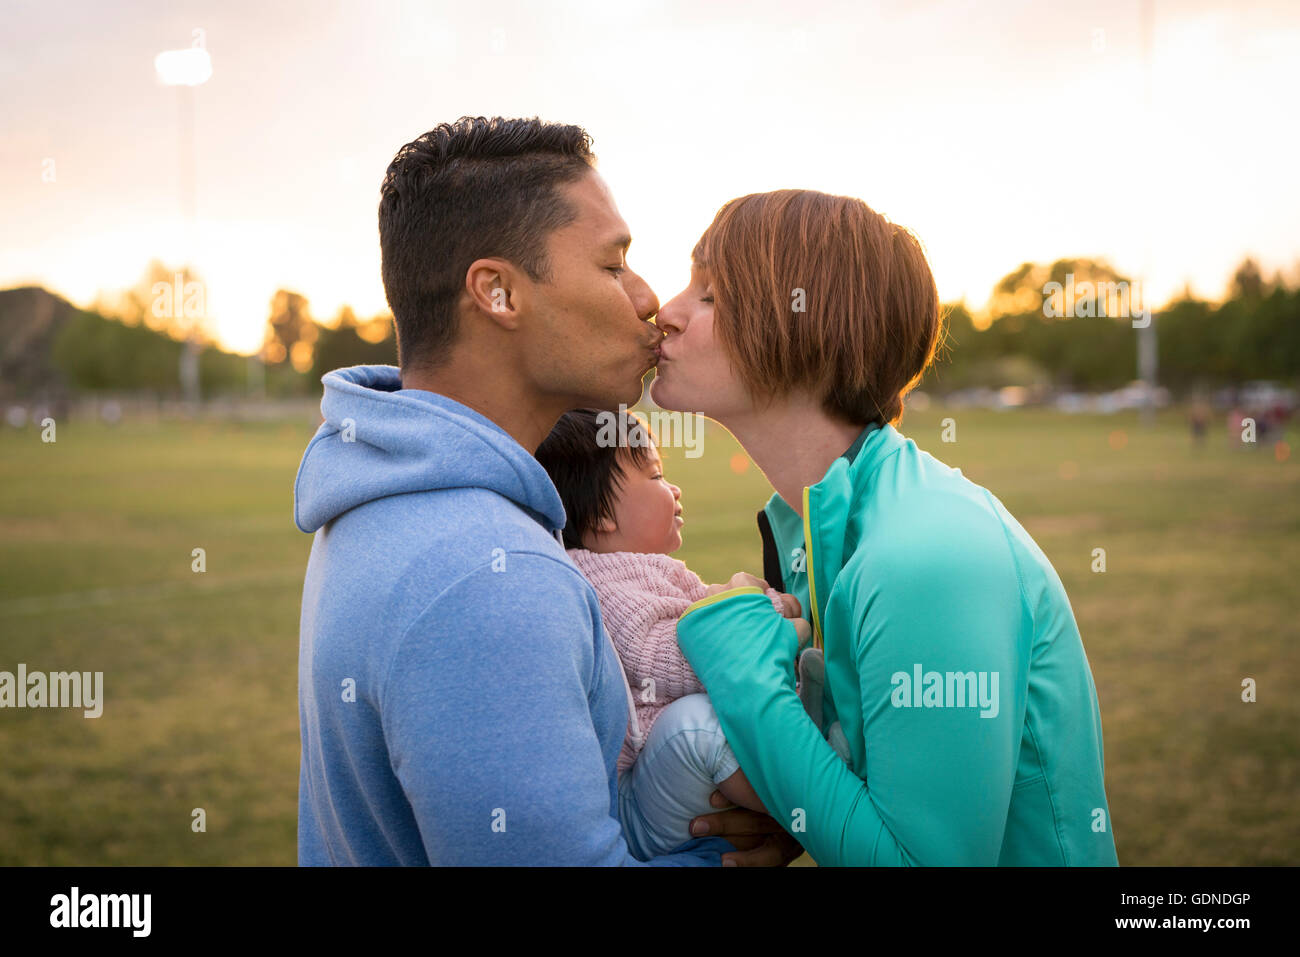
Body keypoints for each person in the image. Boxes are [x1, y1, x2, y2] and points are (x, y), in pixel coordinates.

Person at [293, 117, 799, 865]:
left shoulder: (379, 495)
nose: (649, 296)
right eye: (612, 264)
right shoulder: (486, 575)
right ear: (498, 292)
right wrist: (734, 856)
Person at [652, 189, 1120, 866]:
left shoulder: (923, 555)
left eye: (711, 295)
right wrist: (799, 813)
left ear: (806, 328)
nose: (664, 313)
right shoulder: (829, 523)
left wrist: (742, 668)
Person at [536, 408, 829, 860]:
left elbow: (704, 611)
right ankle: (820, 802)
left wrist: (746, 600)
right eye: (654, 476)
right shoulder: (600, 582)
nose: (673, 489)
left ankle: (824, 751)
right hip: (641, 800)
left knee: (739, 713)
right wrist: (765, 615)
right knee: (693, 726)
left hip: (674, 788)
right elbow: (675, 654)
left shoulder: (642, 569)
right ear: (601, 517)